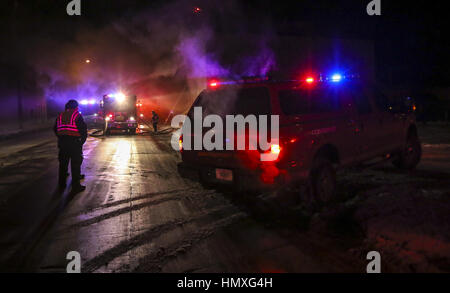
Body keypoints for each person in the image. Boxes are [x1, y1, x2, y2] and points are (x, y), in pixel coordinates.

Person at [54, 100, 88, 193]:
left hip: (62, 144)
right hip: (74, 144)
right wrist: (81, 142)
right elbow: (83, 130)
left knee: (63, 165)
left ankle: (62, 184)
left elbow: (55, 129)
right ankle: (75, 186)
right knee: (75, 165)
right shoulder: (76, 115)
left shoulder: (60, 116)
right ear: (76, 107)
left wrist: (61, 137)